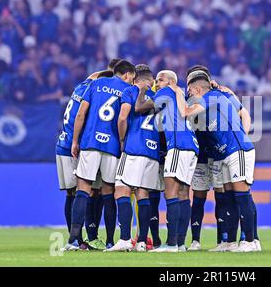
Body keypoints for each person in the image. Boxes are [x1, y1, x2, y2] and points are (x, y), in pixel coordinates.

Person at [171, 75, 258, 252]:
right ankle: (230, 242)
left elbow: (185, 112)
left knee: (241, 195)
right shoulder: (214, 99)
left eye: (189, 91)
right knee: (228, 198)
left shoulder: (212, 97)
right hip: (223, 153)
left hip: (237, 150)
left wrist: (176, 92)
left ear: (197, 90)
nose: (188, 94)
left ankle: (250, 241)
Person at [61, 60, 135, 251]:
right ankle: (110, 241)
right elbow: (123, 119)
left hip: (90, 143)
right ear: (127, 75)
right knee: (109, 193)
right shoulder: (127, 89)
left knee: (83, 190)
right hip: (111, 147)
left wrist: (75, 141)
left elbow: (80, 114)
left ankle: (73, 241)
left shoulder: (95, 84)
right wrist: (121, 141)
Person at [56, 62, 116, 250]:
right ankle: (83, 238)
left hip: (64, 143)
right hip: (77, 145)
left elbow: (94, 76)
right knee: (86, 190)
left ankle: (78, 238)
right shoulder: (94, 93)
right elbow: (83, 118)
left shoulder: (82, 87)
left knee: (75, 192)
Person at [141, 70, 199, 253]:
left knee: (171, 193)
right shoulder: (178, 96)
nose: (156, 83)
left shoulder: (167, 92)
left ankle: (171, 243)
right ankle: (180, 243)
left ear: (171, 82)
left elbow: (142, 107)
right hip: (192, 146)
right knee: (183, 193)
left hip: (178, 146)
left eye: (160, 80)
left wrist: (142, 90)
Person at [105, 64, 160, 252]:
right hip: (152, 152)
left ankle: (125, 239)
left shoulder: (131, 90)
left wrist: (121, 140)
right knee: (143, 194)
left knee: (121, 190)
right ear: (151, 81)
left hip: (134, 147)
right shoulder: (157, 98)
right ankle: (142, 241)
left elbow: (122, 118)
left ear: (135, 78)